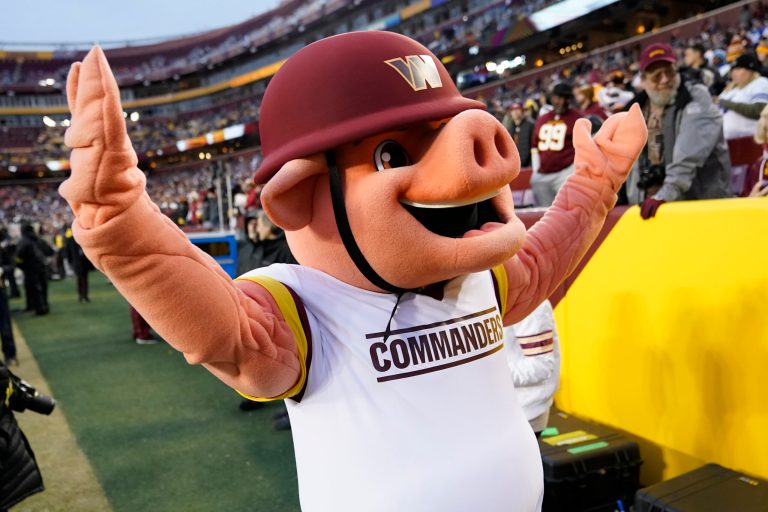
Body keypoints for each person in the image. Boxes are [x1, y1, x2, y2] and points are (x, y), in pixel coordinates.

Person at [625, 43, 732, 219]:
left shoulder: (696, 97)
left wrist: (664, 194)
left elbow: (688, 155)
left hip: (702, 205)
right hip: (657, 208)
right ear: (643, 81)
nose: (665, 79)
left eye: (669, 71)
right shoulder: (636, 108)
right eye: (657, 76)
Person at [504, 300, 559, 436]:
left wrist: (490, 374)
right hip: (507, 408)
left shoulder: (530, 303)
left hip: (525, 412)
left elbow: (541, 366)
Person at [530, 82, 583, 206]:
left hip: (565, 173)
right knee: (546, 215)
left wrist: (574, 169)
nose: (561, 102)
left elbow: (585, 146)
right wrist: (536, 170)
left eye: (565, 98)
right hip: (542, 175)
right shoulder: (542, 119)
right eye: (558, 98)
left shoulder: (577, 118)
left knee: (569, 211)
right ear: (552, 98)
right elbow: (534, 147)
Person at [15, 223, 50, 316]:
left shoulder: (23, 241)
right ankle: (44, 306)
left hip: (30, 269)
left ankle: (38, 309)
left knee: (33, 289)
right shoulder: (38, 239)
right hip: (42, 267)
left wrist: (21, 266)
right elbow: (48, 251)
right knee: (43, 288)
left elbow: (18, 256)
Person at [64, 226, 92, 303]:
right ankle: (81, 296)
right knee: (80, 280)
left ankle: (85, 296)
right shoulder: (71, 240)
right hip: (77, 263)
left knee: (84, 280)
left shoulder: (80, 239)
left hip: (83, 263)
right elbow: (68, 252)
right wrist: (71, 262)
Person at [503, 102, 534, 167]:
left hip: (529, 165)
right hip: (516, 166)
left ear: (522, 111)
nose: (515, 112)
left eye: (518, 109)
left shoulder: (530, 126)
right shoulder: (509, 130)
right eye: (513, 110)